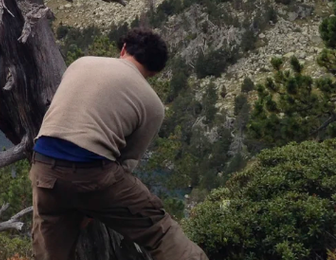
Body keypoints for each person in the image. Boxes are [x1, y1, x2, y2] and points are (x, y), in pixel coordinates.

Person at [30, 28, 207, 260]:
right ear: (154, 71)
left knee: (50, 252)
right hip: (93, 173)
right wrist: (94, 201)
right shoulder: (152, 104)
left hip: (43, 170)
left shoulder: (81, 63)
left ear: (124, 49)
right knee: (160, 230)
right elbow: (126, 161)